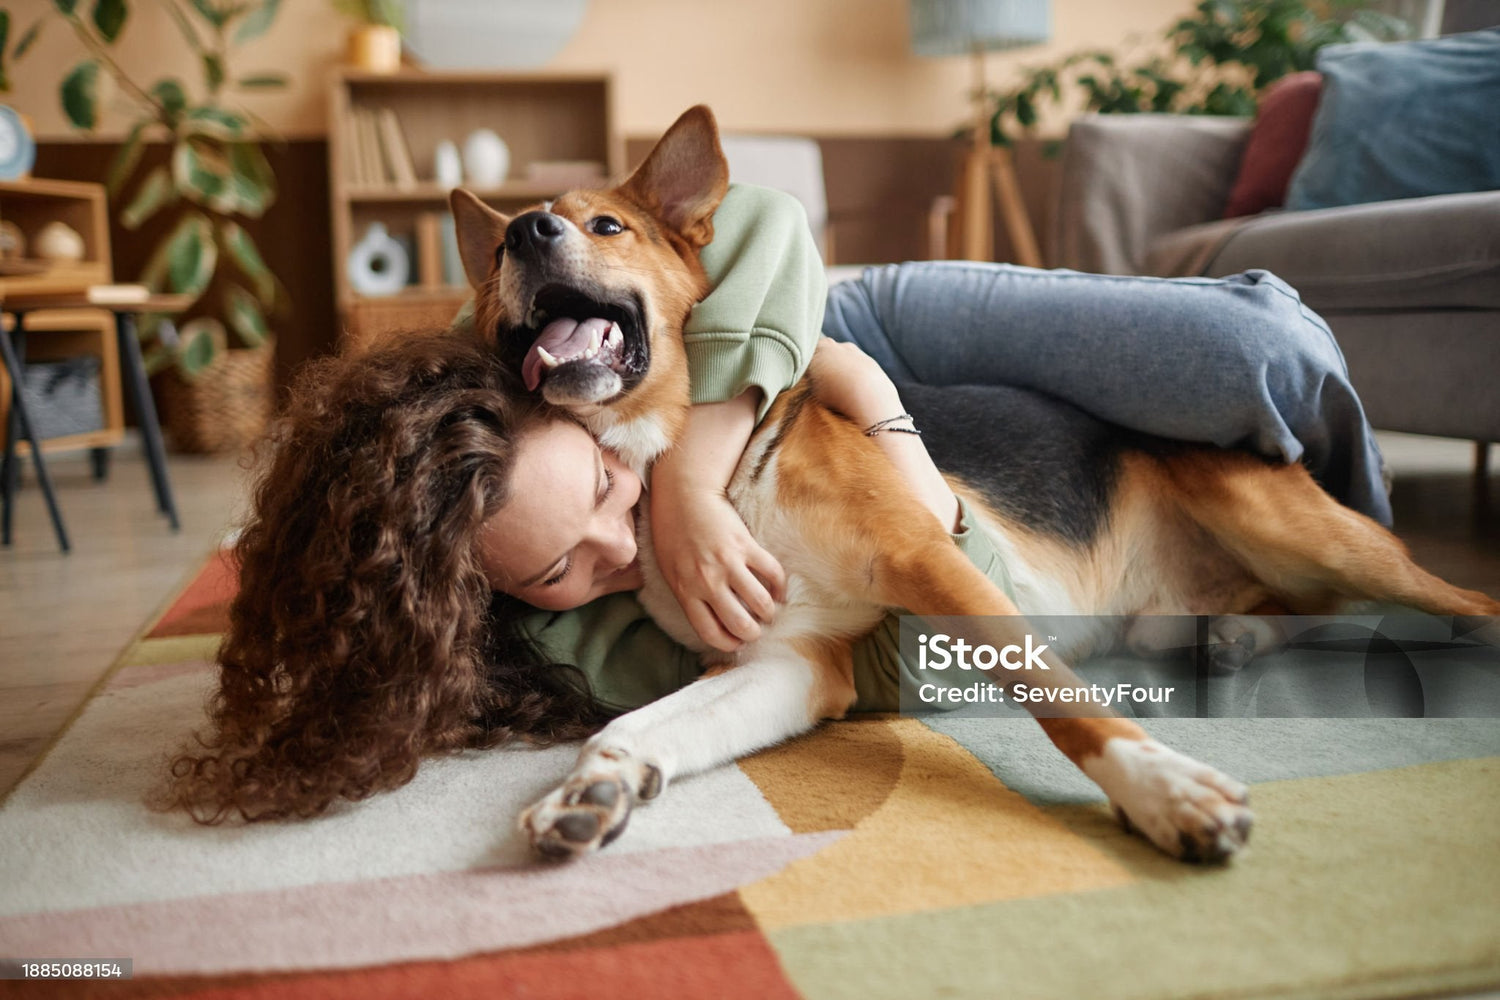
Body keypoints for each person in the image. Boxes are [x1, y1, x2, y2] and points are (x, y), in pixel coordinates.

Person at [161, 185, 1389, 823]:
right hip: (963, 502)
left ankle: (1346, 517)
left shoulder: (484, 350)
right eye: (556, 569)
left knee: (1267, 359)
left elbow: (759, 225)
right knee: (1273, 506)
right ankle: (1311, 596)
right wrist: (632, 746)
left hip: (821, 311)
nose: (616, 538)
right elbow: (815, 667)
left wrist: (692, 481)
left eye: (604, 490)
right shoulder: (511, 570)